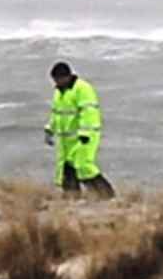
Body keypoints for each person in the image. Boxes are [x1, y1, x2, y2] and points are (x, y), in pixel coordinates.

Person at [45, 61, 115, 198]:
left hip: (84, 137)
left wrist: (85, 133)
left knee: (84, 166)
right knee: (67, 168)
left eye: (58, 80)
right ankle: (72, 197)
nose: (56, 83)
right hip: (66, 139)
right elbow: (56, 113)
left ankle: (106, 195)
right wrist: (49, 129)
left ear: (66, 77)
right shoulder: (59, 92)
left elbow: (89, 112)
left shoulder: (83, 89)